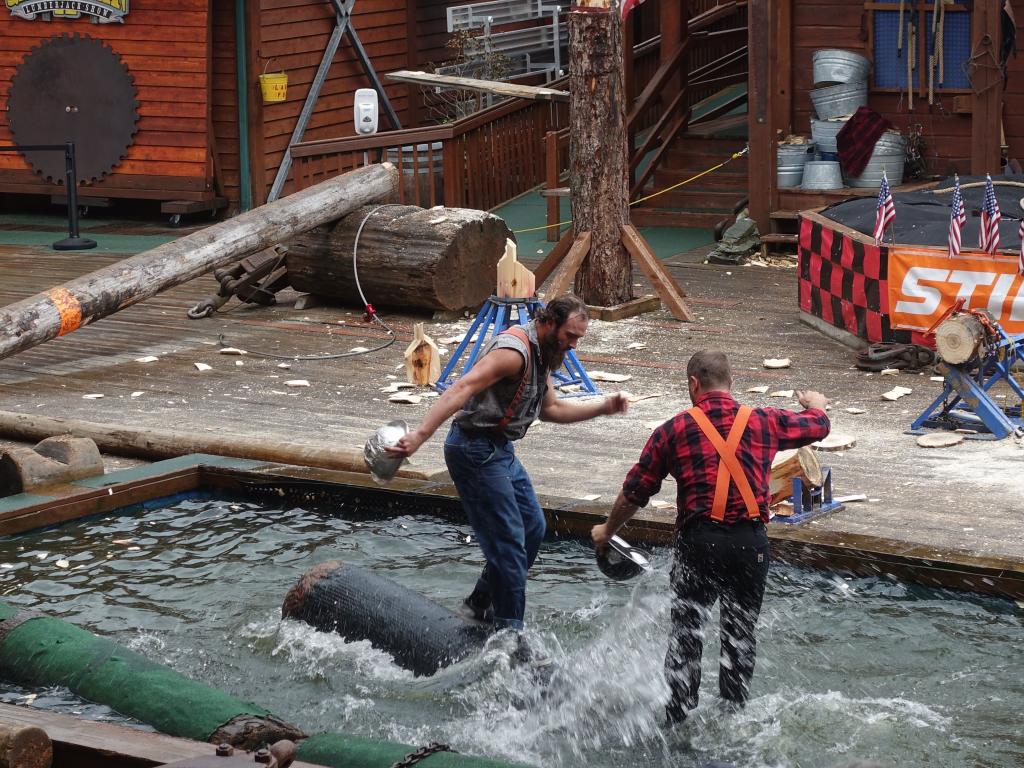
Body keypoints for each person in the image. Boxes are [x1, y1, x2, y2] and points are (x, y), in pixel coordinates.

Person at [591, 349, 830, 723]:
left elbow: (635, 491)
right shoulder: (765, 421)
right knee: (741, 634)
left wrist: (608, 530)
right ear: (731, 384)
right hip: (750, 545)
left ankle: (677, 717)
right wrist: (816, 405)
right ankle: (733, 717)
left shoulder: (672, 430)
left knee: (687, 632)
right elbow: (817, 426)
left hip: (699, 545)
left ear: (693, 384)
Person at [389, 294, 629, 631]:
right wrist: (419, 435)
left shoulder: (545, 352)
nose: (573, 345)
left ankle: (478, 604)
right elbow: (463, 387)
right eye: (570, 336)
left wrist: (602, 407)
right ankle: (510, 636)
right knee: (511, 546)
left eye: (578, 338)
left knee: (533, 529)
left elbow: (552, 409)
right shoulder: (513, 353)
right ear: (548, 323)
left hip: (500, 451)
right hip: (473, 451)